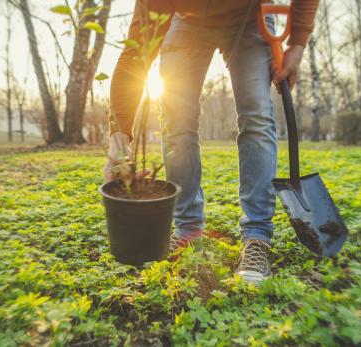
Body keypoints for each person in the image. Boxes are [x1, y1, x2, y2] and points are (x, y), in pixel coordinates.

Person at [104, 0, 318, 285]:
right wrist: (119, 138)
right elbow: (135, 54)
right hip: (187, 20)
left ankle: (257, 236)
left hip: (251, 15)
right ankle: (188, 230)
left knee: (256, 114)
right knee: (176, 120)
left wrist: (298, 43)